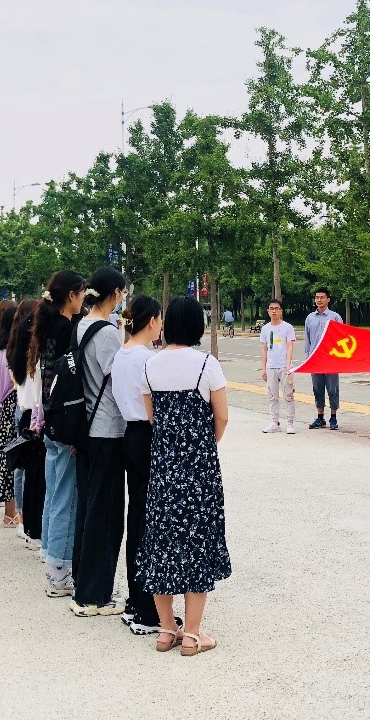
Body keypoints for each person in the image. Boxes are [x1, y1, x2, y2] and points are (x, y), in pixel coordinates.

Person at [139, 296, 231, 656]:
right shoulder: (207, 364)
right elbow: (221, 416)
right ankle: (192, 634)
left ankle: (166, 630)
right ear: (197, 325)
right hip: (199, 470)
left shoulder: (150, 365)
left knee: (160, 542)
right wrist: (206, 445)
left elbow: (152, 419)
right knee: (198, 541)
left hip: (163, 470)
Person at [70, 267, 129, 618]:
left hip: (86, 428)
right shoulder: (107, 332)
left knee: (89, 509)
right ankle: (94, 596)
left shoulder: (81, 325)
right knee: (105, 515)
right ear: (116, 293)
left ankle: (84, 583)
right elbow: (119, 380)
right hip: (107, 428)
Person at [29, 271, 86, 597]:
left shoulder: (50, 326)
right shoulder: (66, 329)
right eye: (81, 293)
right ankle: (59, 573)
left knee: (54, 492)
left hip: (50, 418)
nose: (83, 299)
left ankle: (50, 553)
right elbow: (69, 382)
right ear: (71, 296)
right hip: (64, 421)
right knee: (66, 496)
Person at [112, 295, 167, 636]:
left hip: (129, 435)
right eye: (159, 320)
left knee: (137, 517)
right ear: (151, 322)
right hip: (147, 435)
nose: (161, 326)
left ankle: (137, 598)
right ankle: (148, 608)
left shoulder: (122, 355)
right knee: (149, 520)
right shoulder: (147, 359)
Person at [8, 299, 43, 549]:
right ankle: (27, 521)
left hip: (25, 411)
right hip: (33, 414)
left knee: (25, 471)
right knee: (32, 475)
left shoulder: (16, 347)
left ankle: (23, 517)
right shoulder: (32, 351)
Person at [0, 302, 21, 524]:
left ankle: (10, 511)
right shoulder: (12, 351)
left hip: (0, 407)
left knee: (6, 457)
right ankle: (12, 512)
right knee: (13, 457)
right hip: (10, 405)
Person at [304, 287, 343, 429]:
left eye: (322, 297)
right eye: (317, 297)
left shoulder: (335, 317)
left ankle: (333, 417)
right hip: (315, 359)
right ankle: (320, 417)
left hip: (331, 359)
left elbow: (342, 337)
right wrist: (308, 358)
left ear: (328, 299)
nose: (319, 300)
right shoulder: (310, 318)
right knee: (317, 388)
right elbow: (307, 340)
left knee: (333, 389)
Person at [259, 299, 296, 434]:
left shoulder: (288, 327)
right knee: (272, 396)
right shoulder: (265, 329)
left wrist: (288, 364)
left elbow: (290, 346)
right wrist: (264, 368)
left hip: (285, 367)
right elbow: (264, 349)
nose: (274, 311)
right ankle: (275, 422)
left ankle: (290, 423)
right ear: (268, 311)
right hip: (271, 367)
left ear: (281, 311)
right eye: (271, 308)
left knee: (288, 395)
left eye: (276, 308)